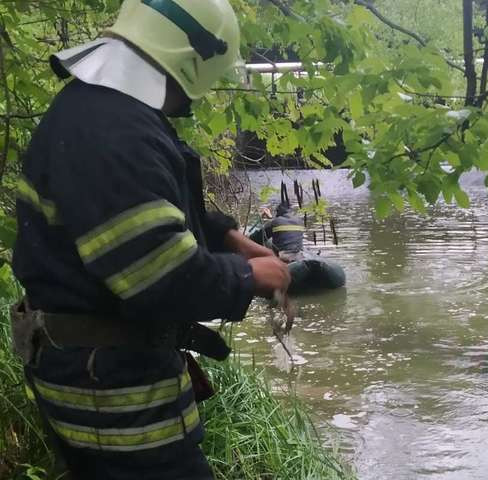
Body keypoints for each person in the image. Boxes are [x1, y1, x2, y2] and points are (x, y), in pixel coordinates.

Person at [10, 0, 289, 478]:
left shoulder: (99, 110)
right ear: (190, 61)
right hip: (113, 401)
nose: (192, 99)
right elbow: (161, 278)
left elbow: (148, 209)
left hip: (92, 380)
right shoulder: (115, 133)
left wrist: (225, 237)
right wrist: (249, 276)